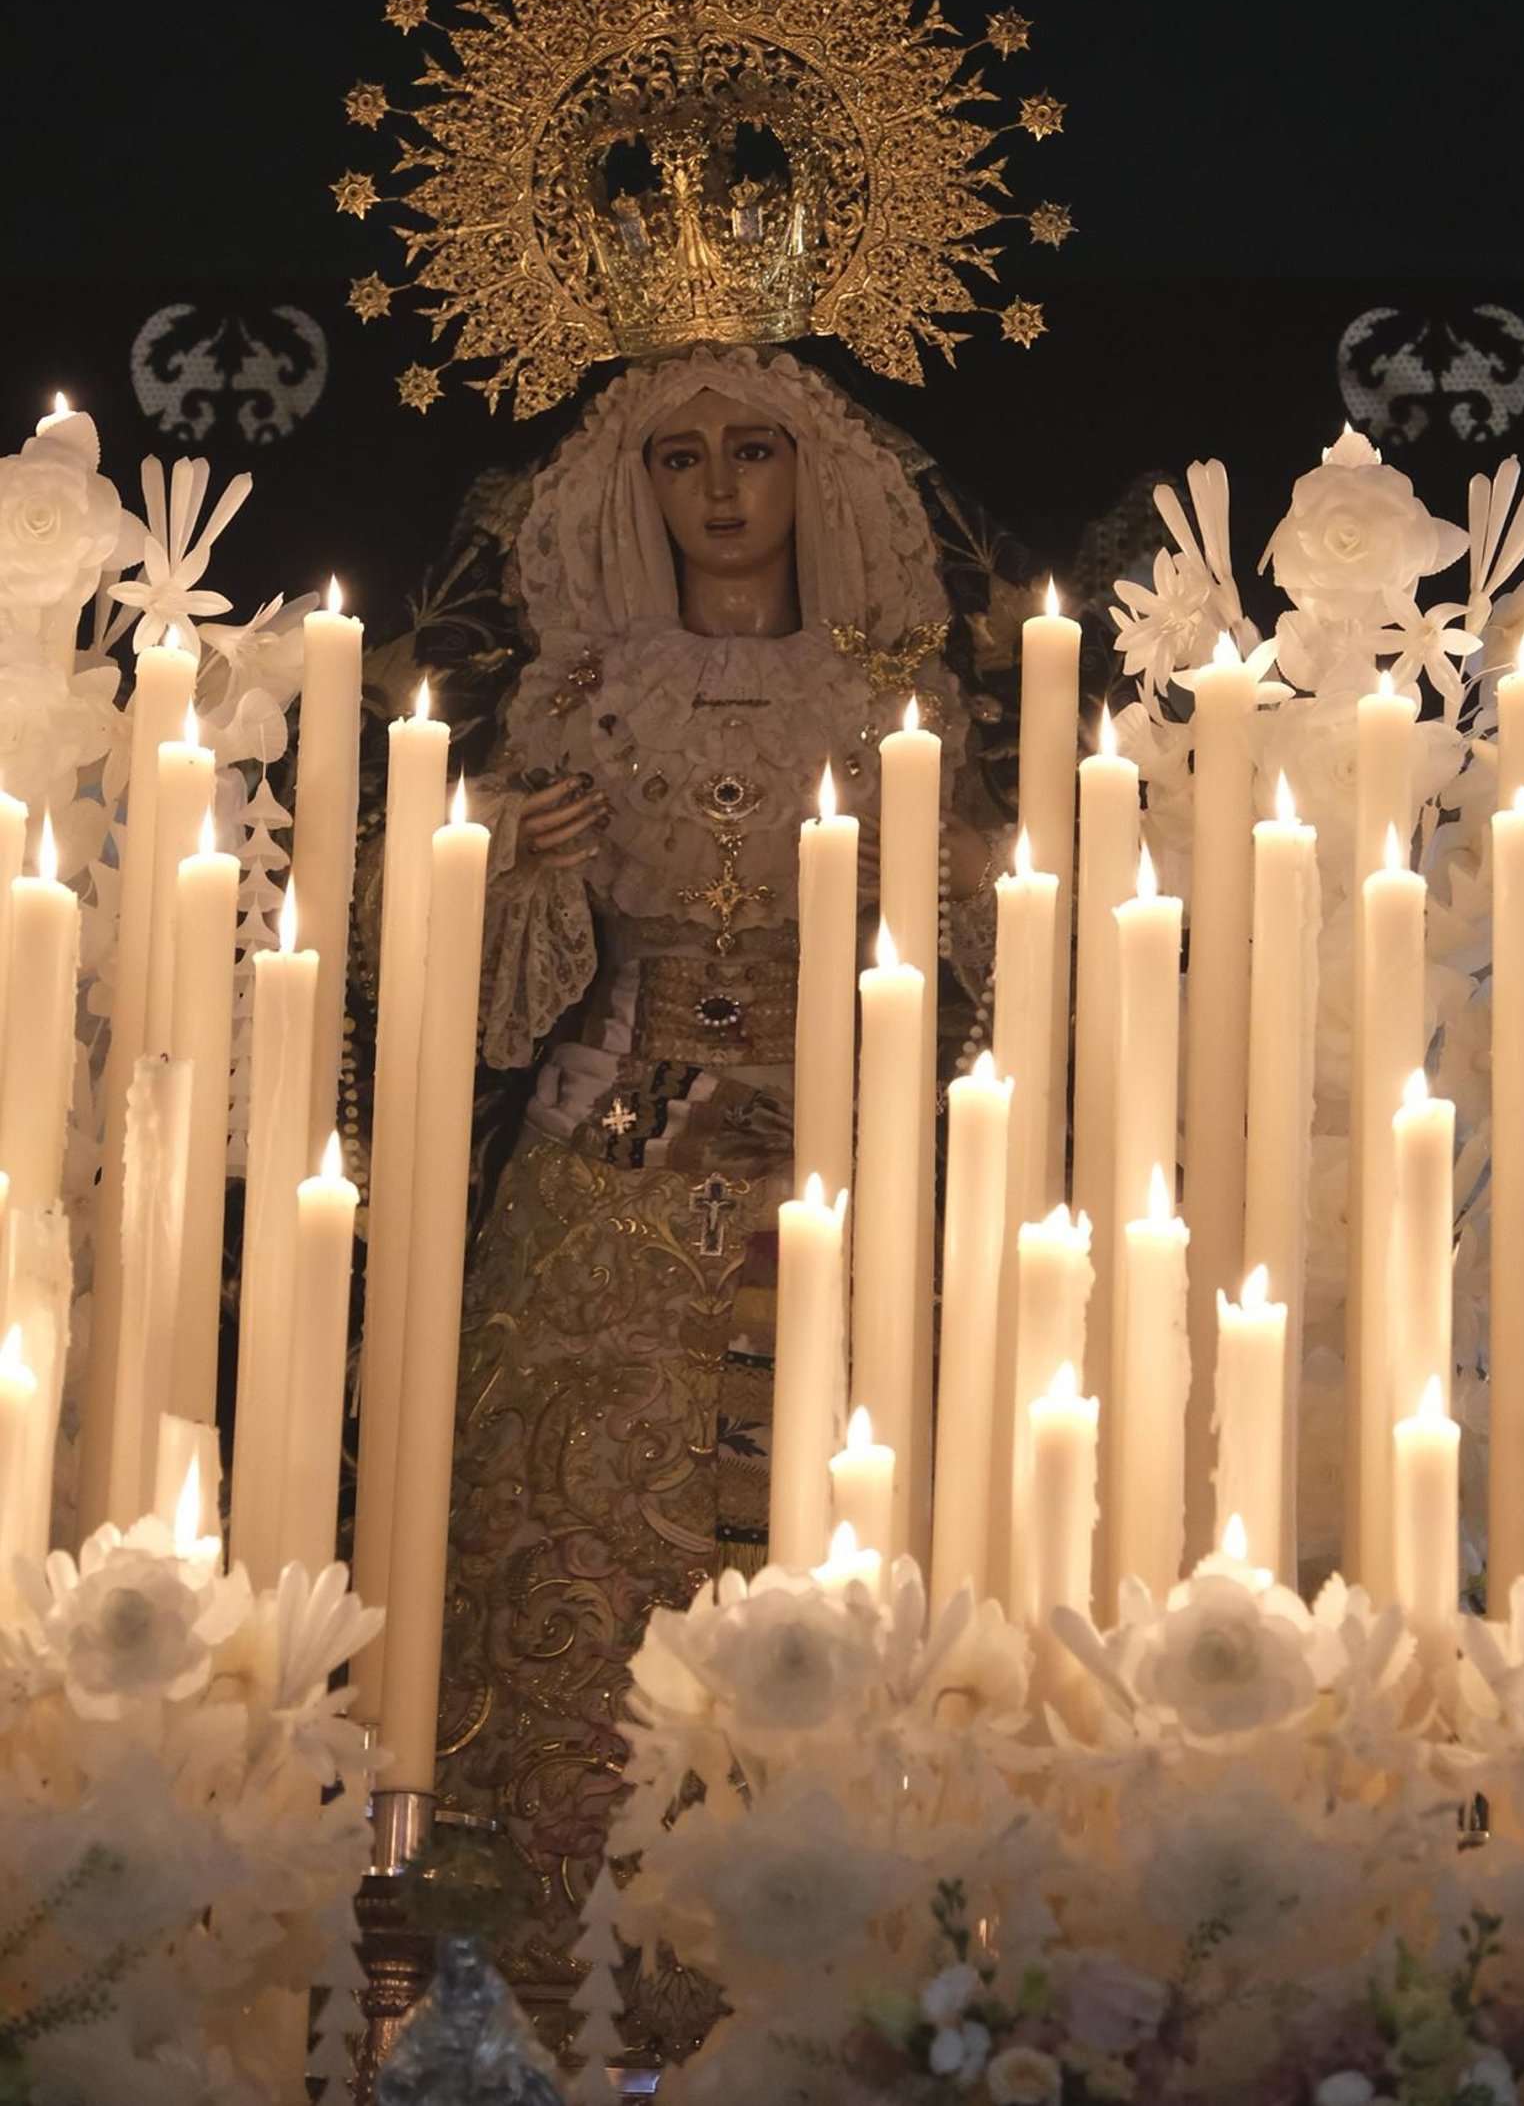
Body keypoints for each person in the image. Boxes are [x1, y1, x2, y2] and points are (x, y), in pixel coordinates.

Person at [433, 346, 999, 2046]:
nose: (725, 490)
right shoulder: (573, 695)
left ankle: (828, 1988)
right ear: (634, 491)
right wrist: (497, 860)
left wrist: (944, 876)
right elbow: (471, 988)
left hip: (839, 1153)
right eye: (682, 460)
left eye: (757, 448)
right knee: (583, 1548)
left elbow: (984, 945)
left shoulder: (894, 693)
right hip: (607, 1166)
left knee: (833, 1529)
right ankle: (549, 1969)